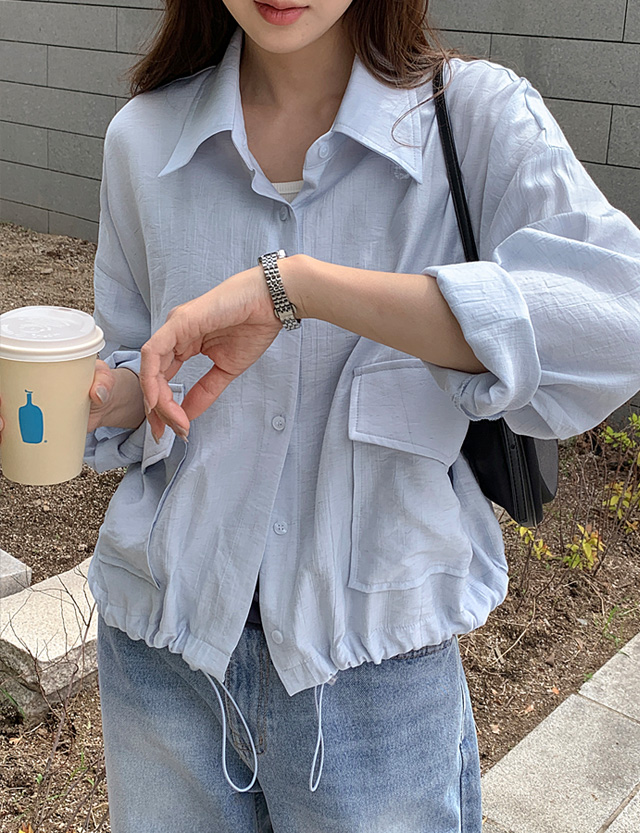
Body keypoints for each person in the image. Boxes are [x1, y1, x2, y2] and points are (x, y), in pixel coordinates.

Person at [57, 1, 640, 830]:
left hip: (374, 685)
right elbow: (140, 368)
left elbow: (617, 318)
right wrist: (94, 398)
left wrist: (301, 288)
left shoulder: (469, 118)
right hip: (163, 653)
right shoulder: (144, 138)